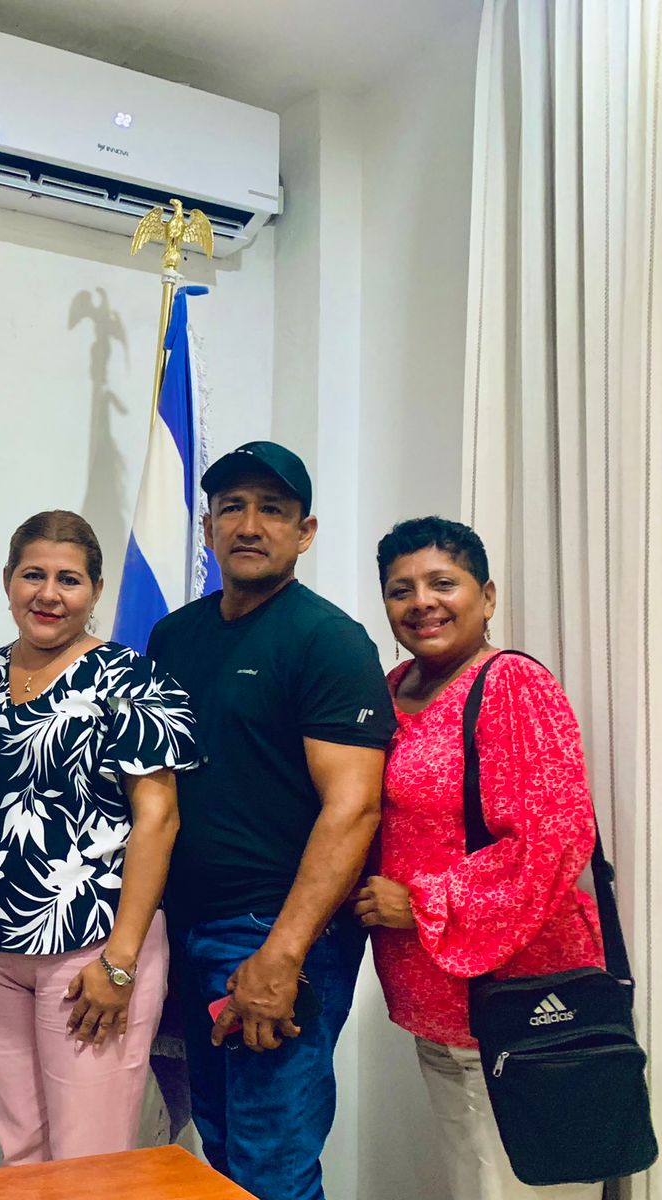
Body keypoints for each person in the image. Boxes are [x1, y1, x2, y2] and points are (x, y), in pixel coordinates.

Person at [146, 441, 395, 1200]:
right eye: (232, 507)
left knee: (272, 1166)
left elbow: (354, 807)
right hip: (188, 929)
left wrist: (282, 956)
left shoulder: (328, 640)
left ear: (305, 532)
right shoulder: (173, 637)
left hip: (276, 934)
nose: (249, 525)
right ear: (208, 527)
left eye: (273, 510)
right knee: (219, 1151)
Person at [355, 517, 604, 1200]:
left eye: (443, 583)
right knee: (470, 1177)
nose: (421, 603)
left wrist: (422, 902)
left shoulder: (512, 685)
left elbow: (554, 840)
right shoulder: (390, 689)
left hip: (519, 997)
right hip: (432, 997)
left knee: (525, 1181)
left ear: (487, 596)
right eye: (400, 590)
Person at [0, 511, 197, 1163]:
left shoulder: (133, 680)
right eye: (32, 574)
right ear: (7, 580)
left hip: (92, 948)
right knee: (21, 1149)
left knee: (90, 1160)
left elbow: (159, 819)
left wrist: (120, 963)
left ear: (96, 591)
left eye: (68, 579)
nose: (48, 594)